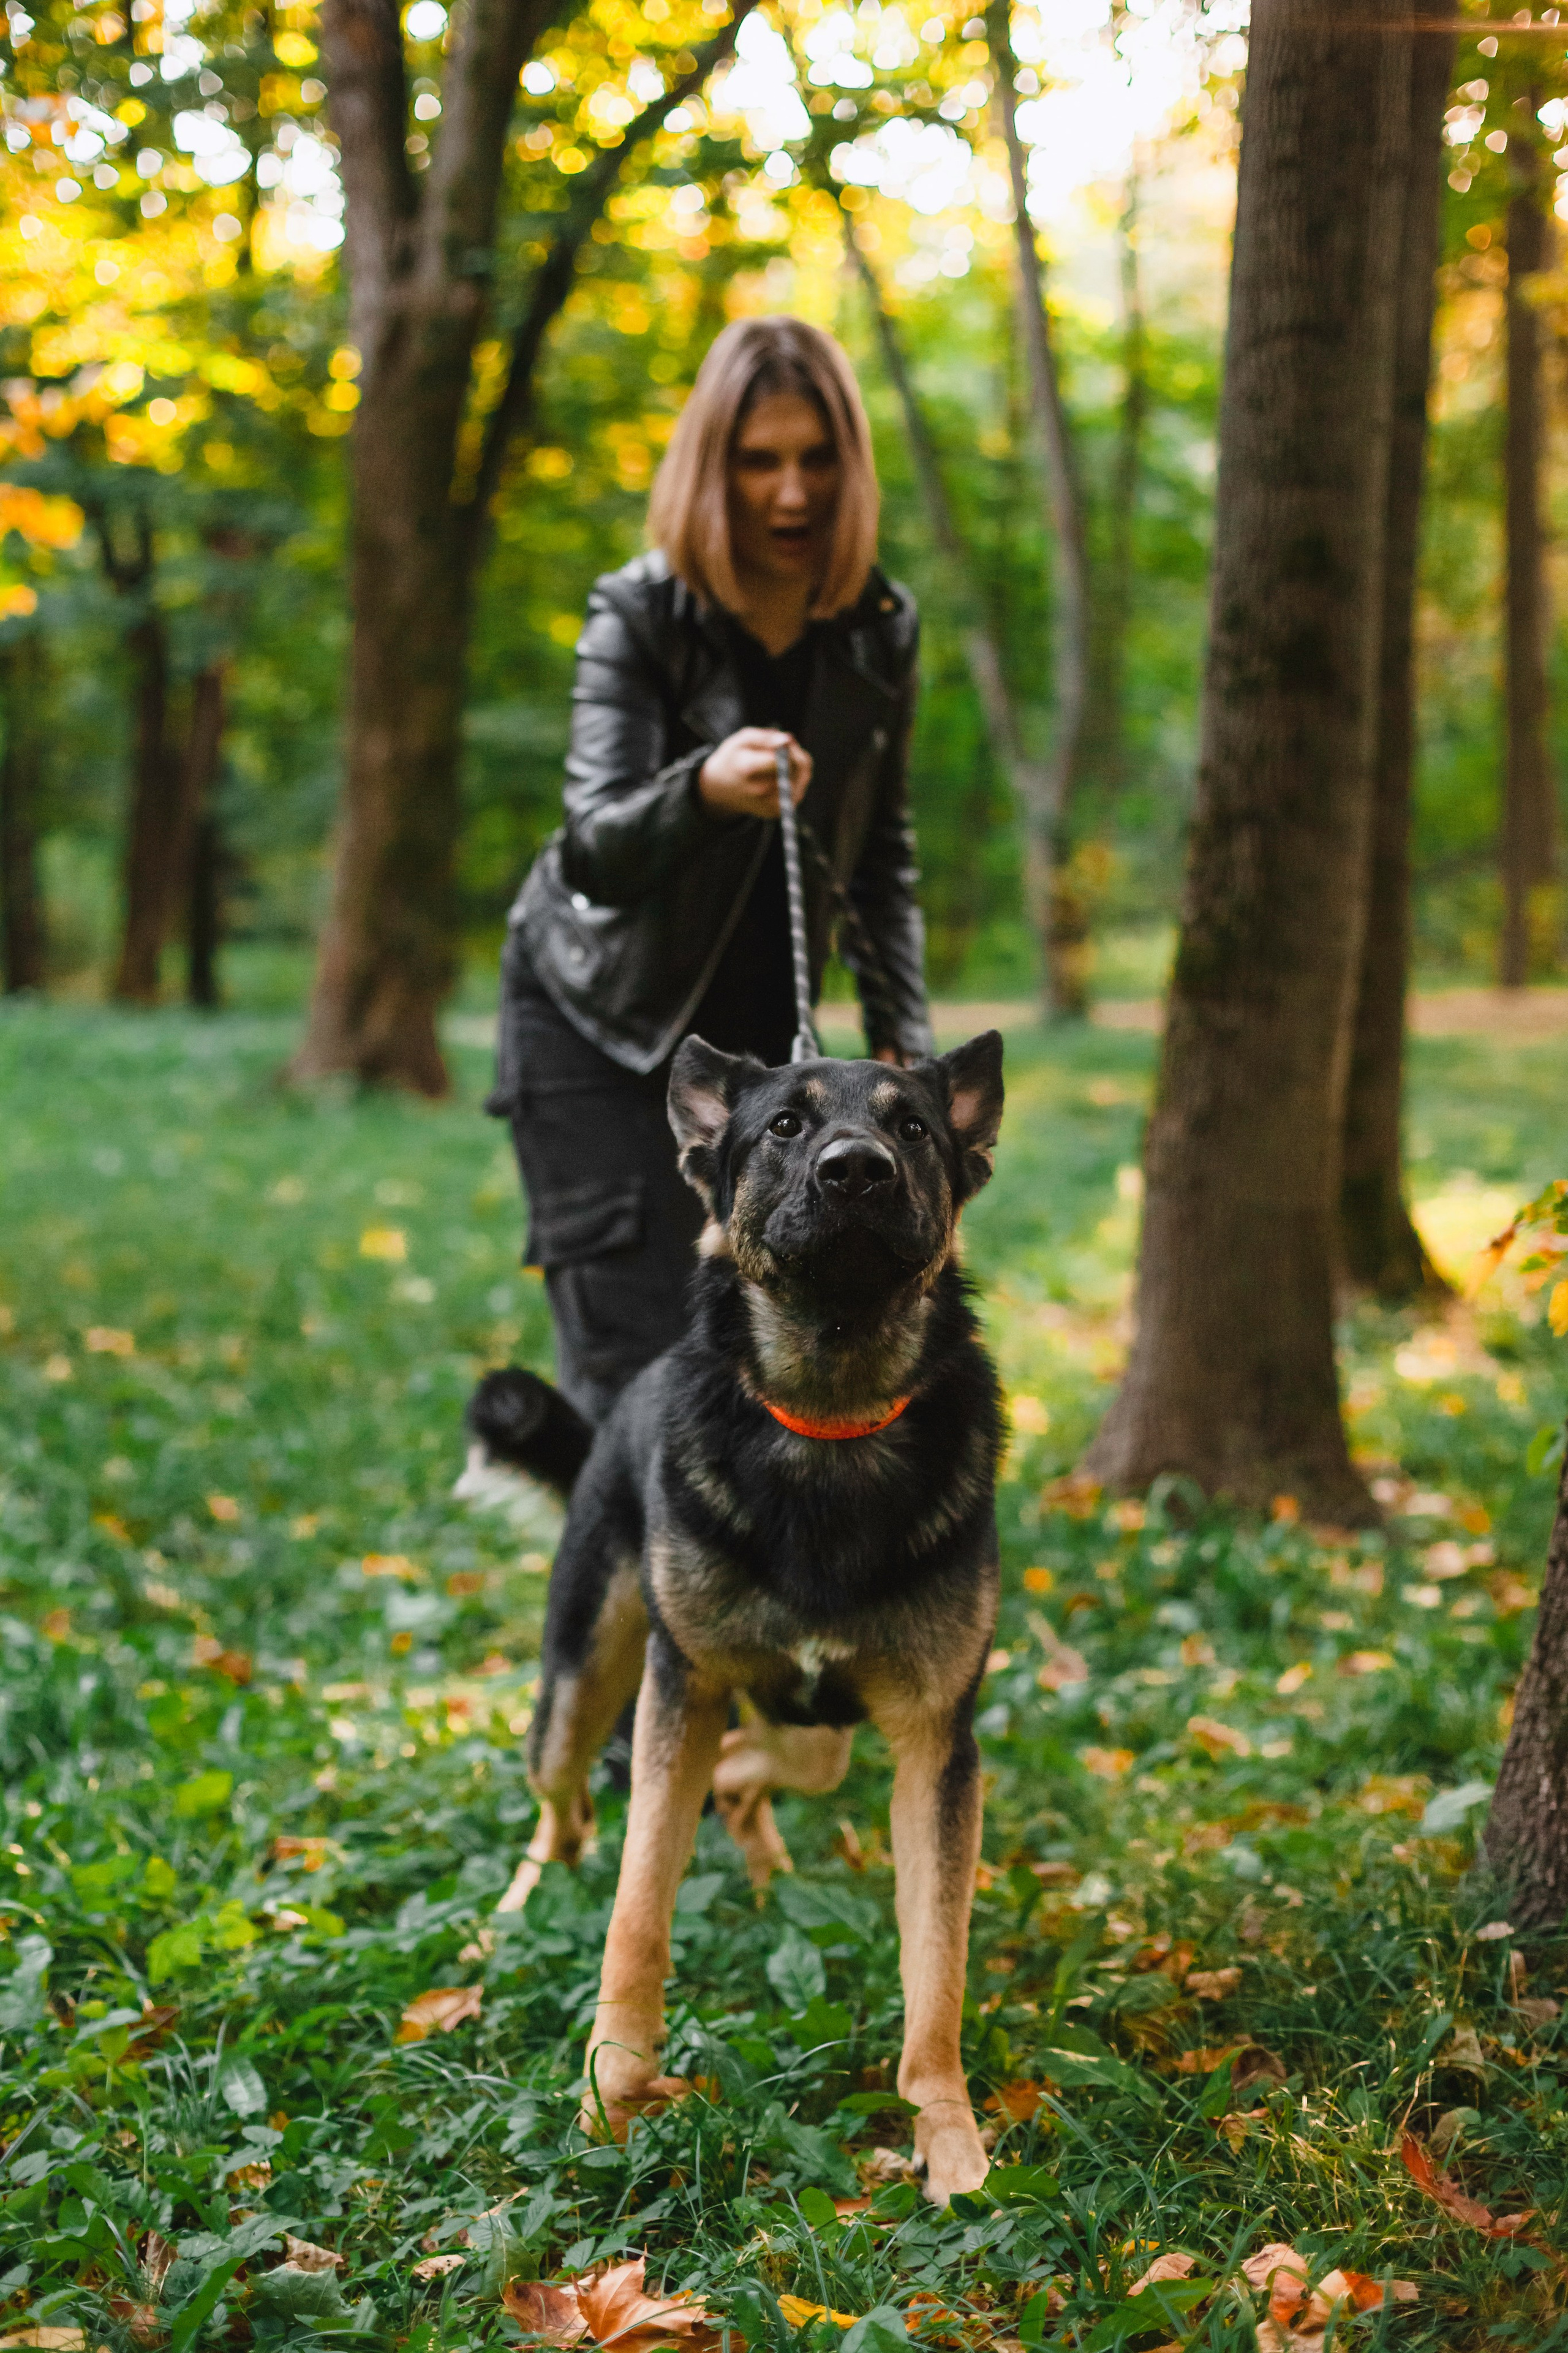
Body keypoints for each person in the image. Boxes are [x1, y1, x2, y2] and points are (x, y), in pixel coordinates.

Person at [489, 314, 935, 1426]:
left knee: (750, 1357)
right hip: (599, 1020)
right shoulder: (640, 614)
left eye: (816, 460)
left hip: (756, 1053)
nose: (792, 495)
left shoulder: (880, 630)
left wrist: (904, 1038)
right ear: (712, 468)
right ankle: (611, 1589)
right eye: (759, 462)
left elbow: (881, 851)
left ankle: (720, 1599)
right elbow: (592, 841)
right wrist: (699, 790)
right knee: (635, 1367)